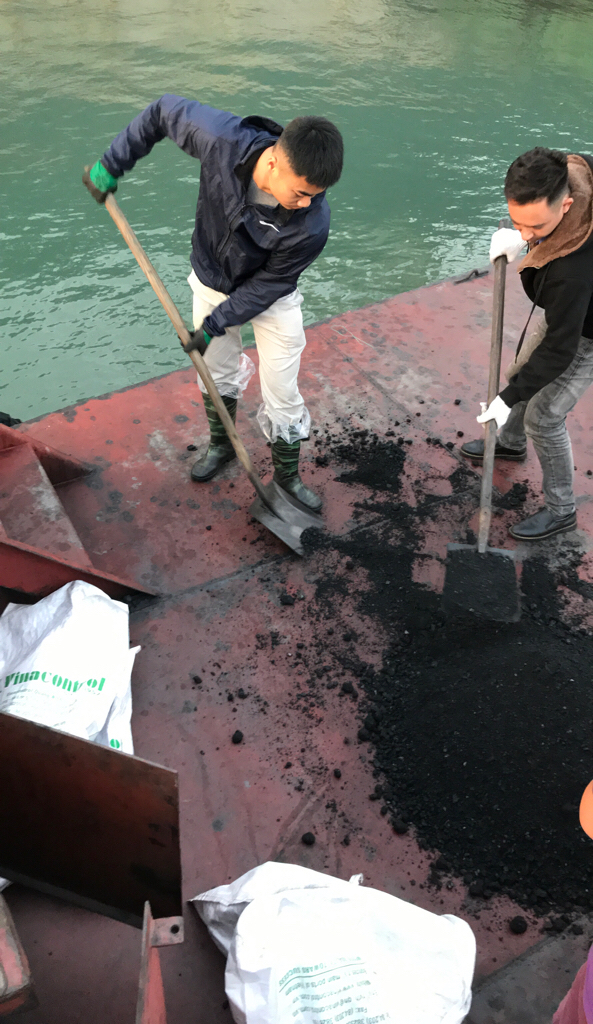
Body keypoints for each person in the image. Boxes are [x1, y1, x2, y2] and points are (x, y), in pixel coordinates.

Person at [83, 96, 344, 511]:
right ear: (274, 162)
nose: (308, 203)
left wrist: (214, 323)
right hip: (211, 277)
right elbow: (162, 111)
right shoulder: (224, 140)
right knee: (215, 371)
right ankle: (223, 446)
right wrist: (112, 164)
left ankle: (287, 478)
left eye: (317, 194)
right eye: (300, 193)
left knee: (282, 388)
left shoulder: (313, 224)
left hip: (272, 296)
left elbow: (269, 284)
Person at [460, 147, 593, 541]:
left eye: (536, 227)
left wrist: (506, 399)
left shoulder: (572, 272)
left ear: (567, 205)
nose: (526, 233)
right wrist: (525, 239)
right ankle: (512, 443)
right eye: (518, 222)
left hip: (587, 330)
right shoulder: (572, 170)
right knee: (520, 372)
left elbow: (560, 348)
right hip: (569, 311)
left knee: (544, 416)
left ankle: (561, 511)